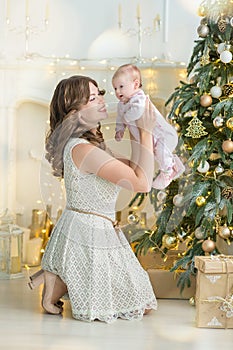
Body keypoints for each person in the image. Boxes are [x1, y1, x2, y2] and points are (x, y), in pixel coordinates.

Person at [28, 74, 157, 323]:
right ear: (74, 111)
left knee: (142, 302)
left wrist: (136, 128)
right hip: (87, 235)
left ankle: (56, 276)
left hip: (94, 227)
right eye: (92, 98)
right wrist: (147, 132)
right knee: (138, 305)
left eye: (100, 95)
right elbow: (141, 183)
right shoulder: (84, 150)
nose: (101, 101)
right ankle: (58, 276)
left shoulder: (91, 146)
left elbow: (135, 167)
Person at [112, 63, 185, 190]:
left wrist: (125, 119)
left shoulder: (139, 98)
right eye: (115, 88)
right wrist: (120, 129)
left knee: (160, 152)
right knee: (157, 154)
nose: (118, 92)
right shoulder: (122, 104)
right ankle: (174, 165)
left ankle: (168, 171)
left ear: (135, 84)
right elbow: (120, 118)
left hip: (164, 135)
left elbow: (137, 111)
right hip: (153, 137)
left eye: (121, 87)